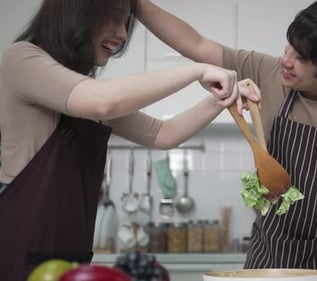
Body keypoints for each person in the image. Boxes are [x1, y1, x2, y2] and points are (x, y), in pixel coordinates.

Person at [138, 0, 317, 280]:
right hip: (270, 254)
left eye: (302, 57)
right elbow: (195, 45)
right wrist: (134, 5)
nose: (286, 60)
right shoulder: (266, 72)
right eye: (289, 46)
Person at [0, 0, 260, 279]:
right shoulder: (21, 59)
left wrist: (225, 99)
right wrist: (197, 69)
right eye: (113, 19)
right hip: (19, 250)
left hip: (70, 258)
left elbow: (164, 133)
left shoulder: (84, 93)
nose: (123, 34)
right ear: (75, 14)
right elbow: (102, 102)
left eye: (125, 23)